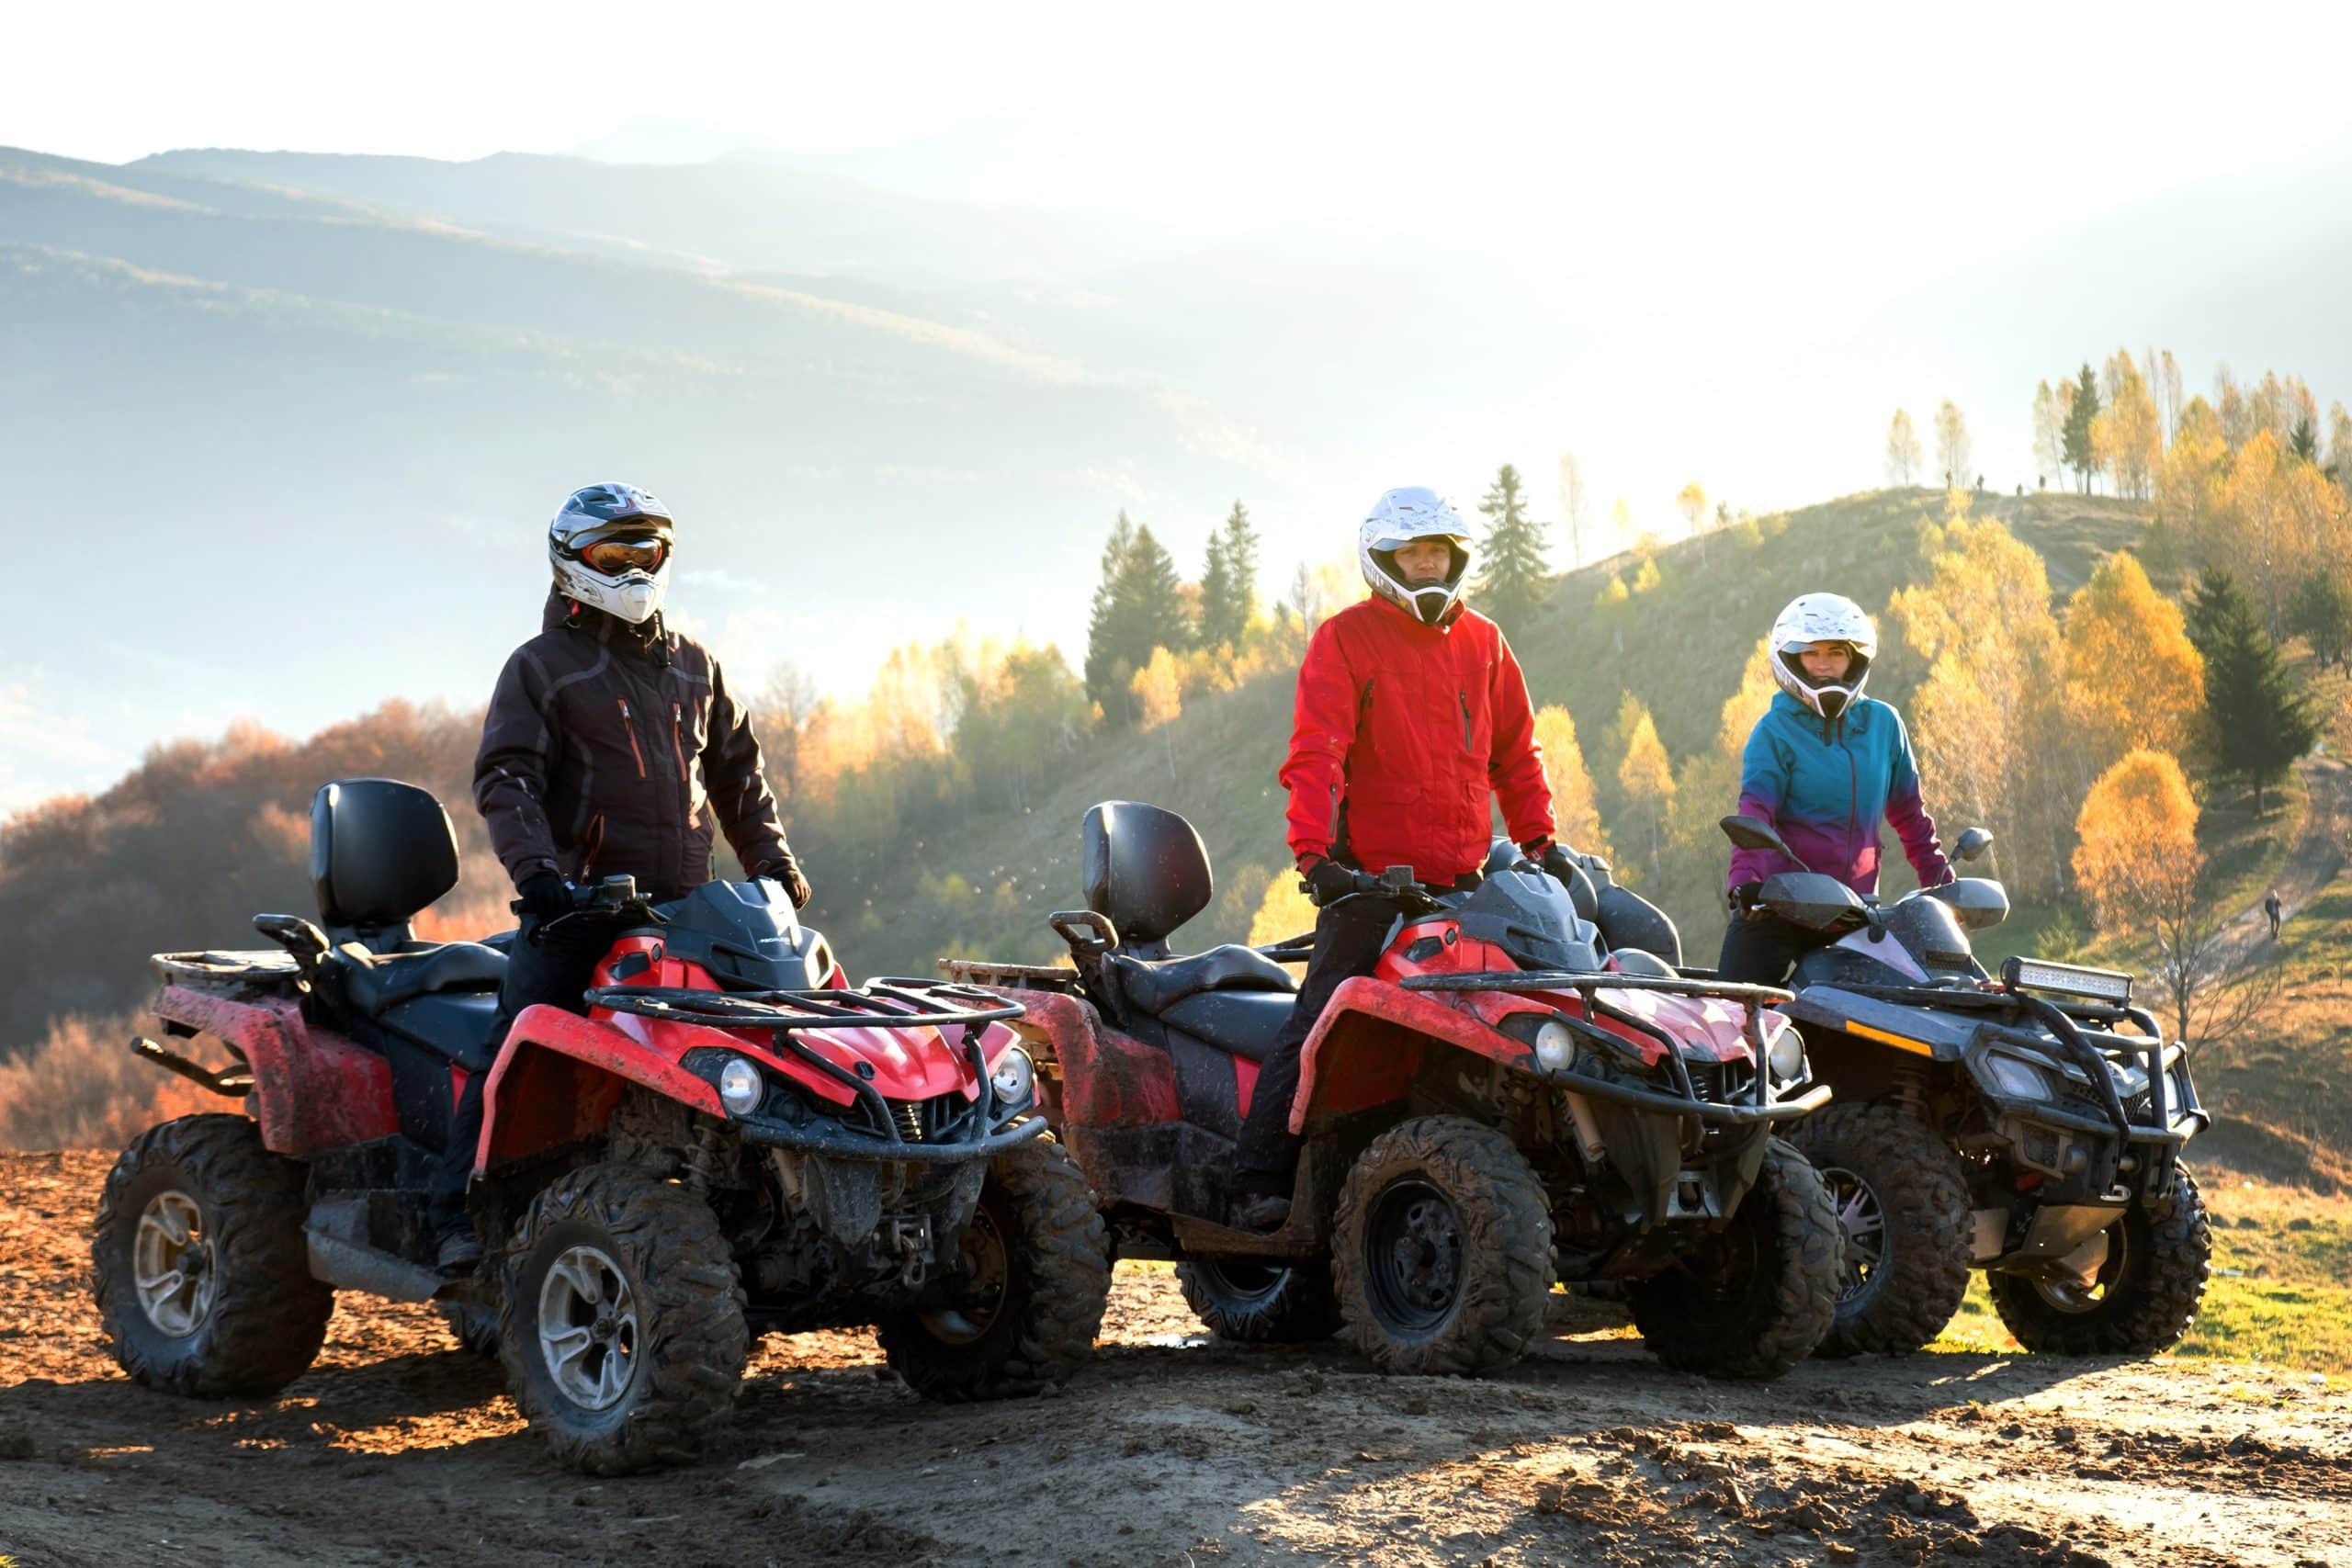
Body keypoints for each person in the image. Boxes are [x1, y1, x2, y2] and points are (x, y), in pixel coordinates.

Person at [430, 483, 809, 1268]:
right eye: (617, 555)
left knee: (776, 1047)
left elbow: (739, 777)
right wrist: (540, 880)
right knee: (515, 1048)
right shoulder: (541, 669)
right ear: (573, 563)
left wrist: (772, 863)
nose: (637, 571)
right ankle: (457, 1216)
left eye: (651, 553)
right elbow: (507, 779)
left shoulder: (696, 668)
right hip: (578, 913)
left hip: (694, 916)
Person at [1227, 487, 1567, 1232]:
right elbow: (1318, 753)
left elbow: (1518, 754)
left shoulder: (1485, 642)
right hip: (1369, 882)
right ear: (1383, 560)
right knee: (1319, 1018)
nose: (1426, 565)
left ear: (1457, 556)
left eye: (1437, 552)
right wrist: (1314, 854)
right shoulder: (1345, 640)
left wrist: (1541, 841)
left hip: (1470, 885)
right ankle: (1257, 1177)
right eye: (1412, 553)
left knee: (1525, 1016)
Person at [1719, 592, 1952, 987]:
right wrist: (1745, 882)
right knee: (1733, 1019)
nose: (1823, 663)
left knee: (1906, 1021)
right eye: (1811, 653)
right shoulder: (1773, 733)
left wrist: (1941, 882)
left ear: (1854, 659)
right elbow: (1756, 813)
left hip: (1856, 915)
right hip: (1778, 907)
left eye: (1836, 652)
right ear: (1791, 659)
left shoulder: (1884, 725)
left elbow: (1910, 816)